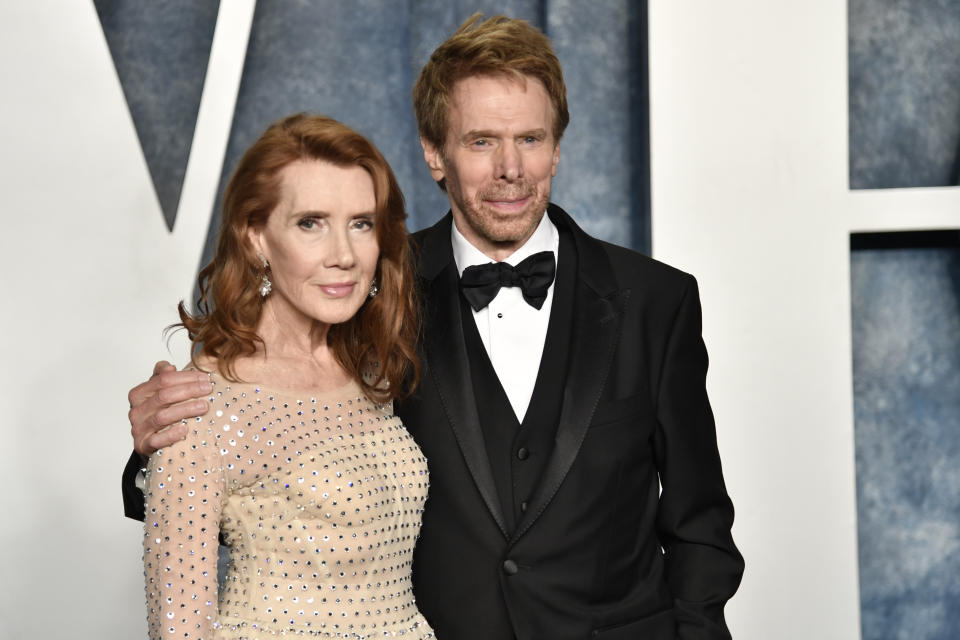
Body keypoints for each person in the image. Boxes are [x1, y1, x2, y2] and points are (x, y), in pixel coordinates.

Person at [126, 14, 744, 640]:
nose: (510, 169)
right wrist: (160, 439)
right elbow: (270, 417)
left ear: (557, 146)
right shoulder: (367, 290)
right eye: (480, 142)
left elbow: (700, 524)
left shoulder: (656, 300)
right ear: (433, 153)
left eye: (530, 139)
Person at [133, 113, 432, 639]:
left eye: (360, 223)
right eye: (310, 223)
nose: (343, 255)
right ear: (256, 238)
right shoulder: (199, 408)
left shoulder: (371, 372)